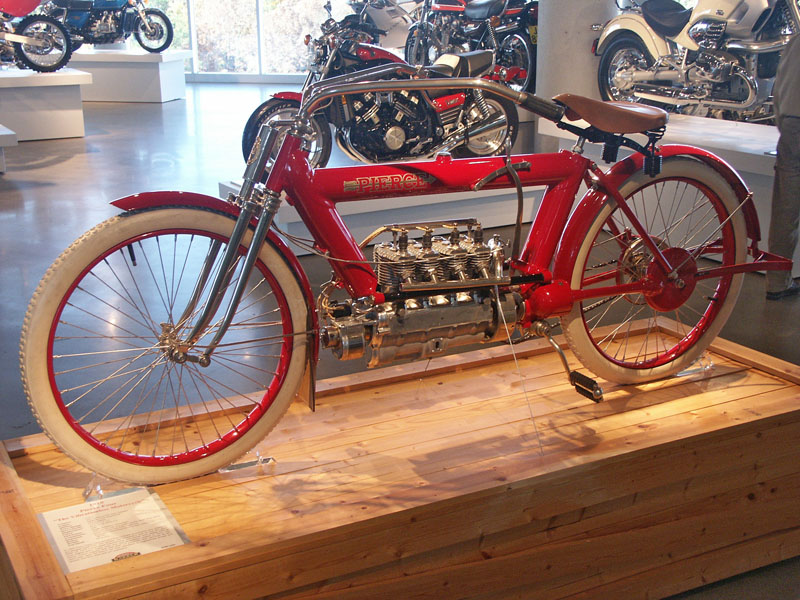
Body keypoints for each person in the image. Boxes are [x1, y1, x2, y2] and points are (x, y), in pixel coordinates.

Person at [766, 33, 800, 300]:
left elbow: (779, 89)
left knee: (785, 206)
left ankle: (777, 282)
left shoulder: (797, 40)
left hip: (792, 124)